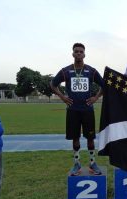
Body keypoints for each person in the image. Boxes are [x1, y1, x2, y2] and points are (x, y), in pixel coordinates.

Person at [50, 43, 104, 176]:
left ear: (84, 54)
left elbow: (104, 85)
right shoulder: (66, 71)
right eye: (76, 51)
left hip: (87, 110)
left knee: (90, 138)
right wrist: (63, 97)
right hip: (73, 110)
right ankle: (77, 164)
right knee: (75, 138)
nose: (79, 53)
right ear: (72, 54)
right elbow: (53, 84)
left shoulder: (91, 71)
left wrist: (95, 98)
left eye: (81, 52)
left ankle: (92, 163)